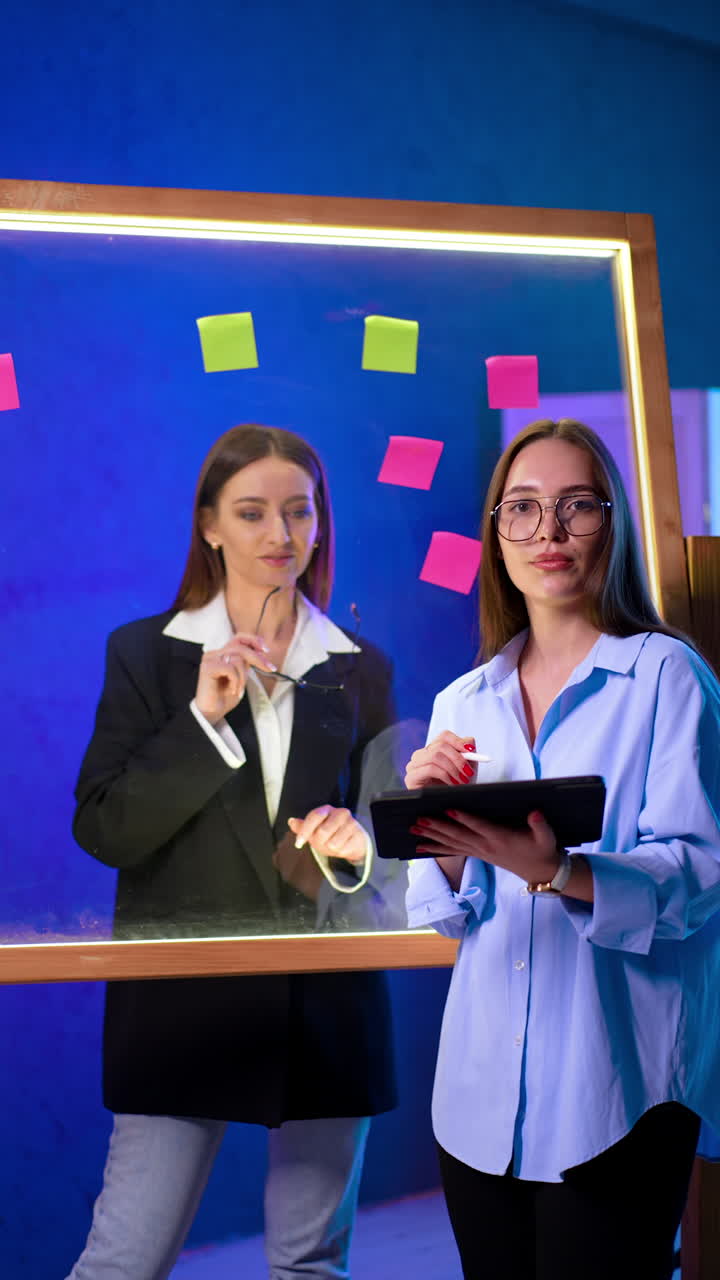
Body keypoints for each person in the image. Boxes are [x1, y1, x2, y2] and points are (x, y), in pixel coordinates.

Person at [67, 423, 405, 1280]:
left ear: (322, 523)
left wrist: (356, 845)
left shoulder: (361, 667)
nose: (279, 536)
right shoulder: (144, 654)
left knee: (308, 1266)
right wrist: (203, 722)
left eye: (299, 512)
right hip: (182, 1005)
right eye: (252, 513)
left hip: (323, 1007)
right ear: (210, 526)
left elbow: (389, 859)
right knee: (122, 1264)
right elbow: (103, 827)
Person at [404, 418, 720, 1280]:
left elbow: (699, 877)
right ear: (495, 533)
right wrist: (439, 834)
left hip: (616, 1092)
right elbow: (445, 917)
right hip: (475, 1104)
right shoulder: (461, 702)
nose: (548, 532)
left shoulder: (668, 675)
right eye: (524, 508)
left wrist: (561, 871)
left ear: (610, 526)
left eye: (577, 506)